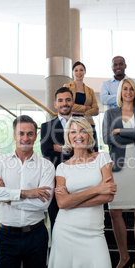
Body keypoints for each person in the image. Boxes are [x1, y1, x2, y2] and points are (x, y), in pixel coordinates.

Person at [0, 115, 55, 268]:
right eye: (21, 133)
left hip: (36, 235)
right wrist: (26, 193)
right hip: (7, 236)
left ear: (36, 136)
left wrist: (7, 197)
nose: (25, 138)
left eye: (30, 133)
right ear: (14, 135)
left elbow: (43, 204)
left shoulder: (46, 166)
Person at [48, 116, 116, 268]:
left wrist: (72, 200)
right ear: (68, 137)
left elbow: (108, 195)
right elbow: (62, 202)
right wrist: (97, 189)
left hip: (94, 232)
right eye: (73, 132)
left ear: (89, 135)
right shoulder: (62, 168)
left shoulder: (102, 158)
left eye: (82, 131)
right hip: (65, 231)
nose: (78, 136)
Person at [102, 78, 135, 268]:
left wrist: (120, 131)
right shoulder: (110, 113)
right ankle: (124, 256)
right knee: (115, 211)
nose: (128, 91)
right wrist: (134, 133)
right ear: (120, 92)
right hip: (118, 165)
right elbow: (108, 139)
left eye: (131, 88)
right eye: (125, 88)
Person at [40, 87, 98, 230]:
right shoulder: (46, 127)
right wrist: (77, 150)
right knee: (57, 225)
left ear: (72, 102)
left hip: (84, 180)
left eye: (67, 100)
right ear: (55, 104)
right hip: (58, 183)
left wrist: (60, 148)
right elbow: (47, 154)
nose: (64, 103)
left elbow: (93, 151)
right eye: (60, 100)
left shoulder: (86, 124)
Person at [64, 61, 99, 152]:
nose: (79, 73)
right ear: (72, 73)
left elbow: (96, 110)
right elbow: (68, 105)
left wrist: (82, 112)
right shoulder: (67, 87)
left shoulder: (90, 90)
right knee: (74, 150)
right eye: (76, 70)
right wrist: (85, 108)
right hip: (73, 123)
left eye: (81, 70)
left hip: (88, 123)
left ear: (85, 72)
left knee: (92, 151)